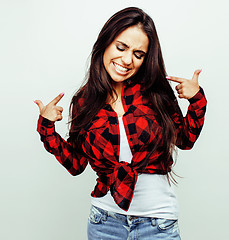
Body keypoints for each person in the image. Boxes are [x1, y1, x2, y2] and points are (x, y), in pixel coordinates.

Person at [34, 7, 207, 240]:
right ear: (105, 43)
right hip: (104, 222)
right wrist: (47, 128)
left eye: (138, 54)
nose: (127, 60)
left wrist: (196, 100)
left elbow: (185, 141)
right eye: (121, 47)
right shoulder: (84, 100)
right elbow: (76, 164)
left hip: (158, 224)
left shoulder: (157, 93)